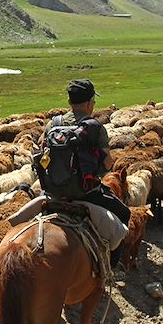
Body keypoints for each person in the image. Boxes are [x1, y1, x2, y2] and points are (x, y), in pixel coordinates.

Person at [41, 78, 131, 267]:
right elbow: (107, 163)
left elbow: (42, 157)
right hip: (86, 193)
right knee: (124, 214)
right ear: (90, 103)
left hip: (54, 192)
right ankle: (111, 267)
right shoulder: (95, 127)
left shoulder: (53, 125)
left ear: (69, 102)